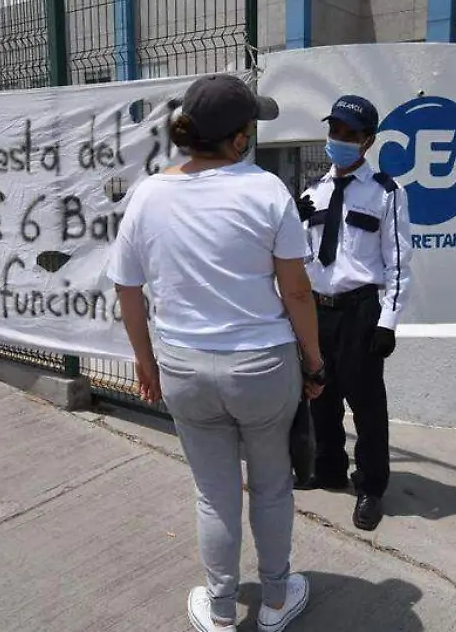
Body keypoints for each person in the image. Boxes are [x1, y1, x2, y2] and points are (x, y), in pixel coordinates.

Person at [107, 73, 326, 632]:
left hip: (183, 366)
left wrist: (144, 361)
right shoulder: (265, 191)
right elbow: (296, 291)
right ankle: (276, 602)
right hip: (263, 367)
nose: (253, 134)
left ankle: (223, 609)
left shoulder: (149, 194)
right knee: (272, 483)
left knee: (214, 493)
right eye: (250, 125)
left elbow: (127, 289)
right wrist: (315, 363)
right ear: (236, 138)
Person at [295, 95, 413, 532]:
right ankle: (327, 467)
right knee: (319, 396)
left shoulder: (385, 193)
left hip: (360, 310)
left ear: (368, 141)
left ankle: (371, 485)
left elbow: (399, 262)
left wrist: (388, 322)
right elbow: (302, 257)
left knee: (366, 405)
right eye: (334, 132)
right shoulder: (313, 191)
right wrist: (292, 222)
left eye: (348, 134)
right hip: (317, 310)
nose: (338, 141)